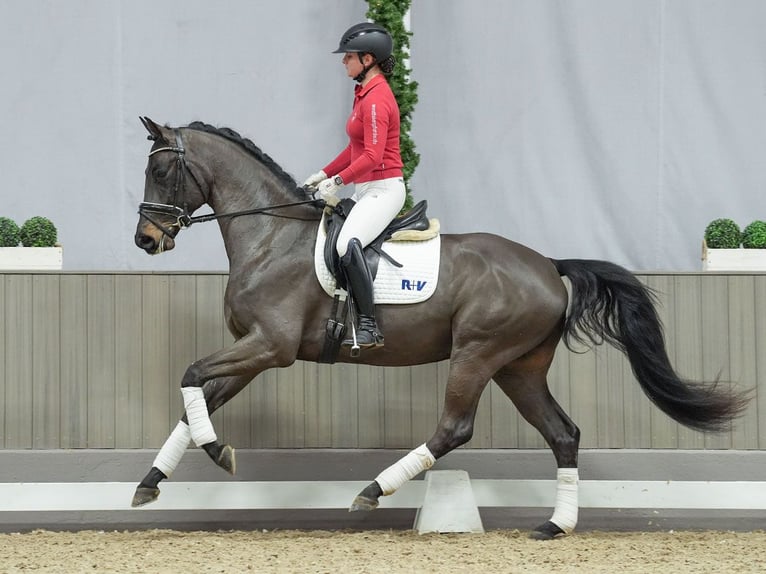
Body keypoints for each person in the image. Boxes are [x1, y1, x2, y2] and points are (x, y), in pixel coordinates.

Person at [303, 22, 405, 350]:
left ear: (368, 59)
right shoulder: (363, 94)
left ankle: (368, 325)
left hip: (384, 189)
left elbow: (374, 156)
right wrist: (323, 172)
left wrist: (337, 181)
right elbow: (355, 149)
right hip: (366, 189)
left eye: (348, 56)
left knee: (347, 244)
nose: (343, 61)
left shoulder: (377, 99)